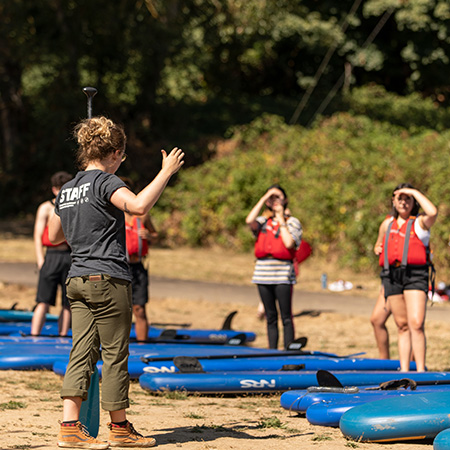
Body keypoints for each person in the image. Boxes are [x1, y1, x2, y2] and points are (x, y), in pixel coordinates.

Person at [48, 116, 184, 448]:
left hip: (77, 279)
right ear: (116, 152)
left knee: (80, 351)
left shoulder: (68, 189)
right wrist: (165, 172)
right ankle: (120, 429)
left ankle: (69, 426)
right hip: (108, 279)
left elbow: (53, 236)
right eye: (121, 156)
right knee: (114, 355)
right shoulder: (106, 182)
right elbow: (137, 206)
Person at [375, 183, 437, 372]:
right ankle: (404, 370)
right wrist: (377, 248)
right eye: (399, 198)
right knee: (402, 325)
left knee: (416, 324)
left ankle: (420, 370)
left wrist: (413, 192)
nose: (403, 202)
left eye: (407, 199)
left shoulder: (419, 223)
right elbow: (378, 244)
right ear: (393, 201)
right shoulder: (387, 224)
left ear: (413, 202)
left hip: (415, 275)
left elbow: (433, 212)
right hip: (392, 276)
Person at [246, 184, 302, 349]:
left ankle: (289, 351)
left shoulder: (293, 222)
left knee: (286, 316)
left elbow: (289, 242)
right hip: (263, 274)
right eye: (272, 197)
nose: (275, 200)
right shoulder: (263, 222)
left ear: (285, 200)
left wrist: (281, 219)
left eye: (278, 196)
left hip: (283, 274)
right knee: (270, 316)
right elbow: (249, 220)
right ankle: (272, 350)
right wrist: (265, 197)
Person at [31, 171, 73, 336]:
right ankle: (35, 334)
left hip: (69, 256)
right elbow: (38, 235)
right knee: (43, 300)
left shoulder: (72, 206)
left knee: (67, 302)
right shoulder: (46, 208)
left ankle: (63, 335)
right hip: (51, 256)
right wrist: (40, 259)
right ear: (54, 189)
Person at [121, 177, 158, 342]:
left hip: (137, 267)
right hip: (118, 267)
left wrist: (149, 236)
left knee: (140, 309)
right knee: (118, 310)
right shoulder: (113, 214)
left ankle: (143, 345)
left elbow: (156, 235)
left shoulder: (142, 215)